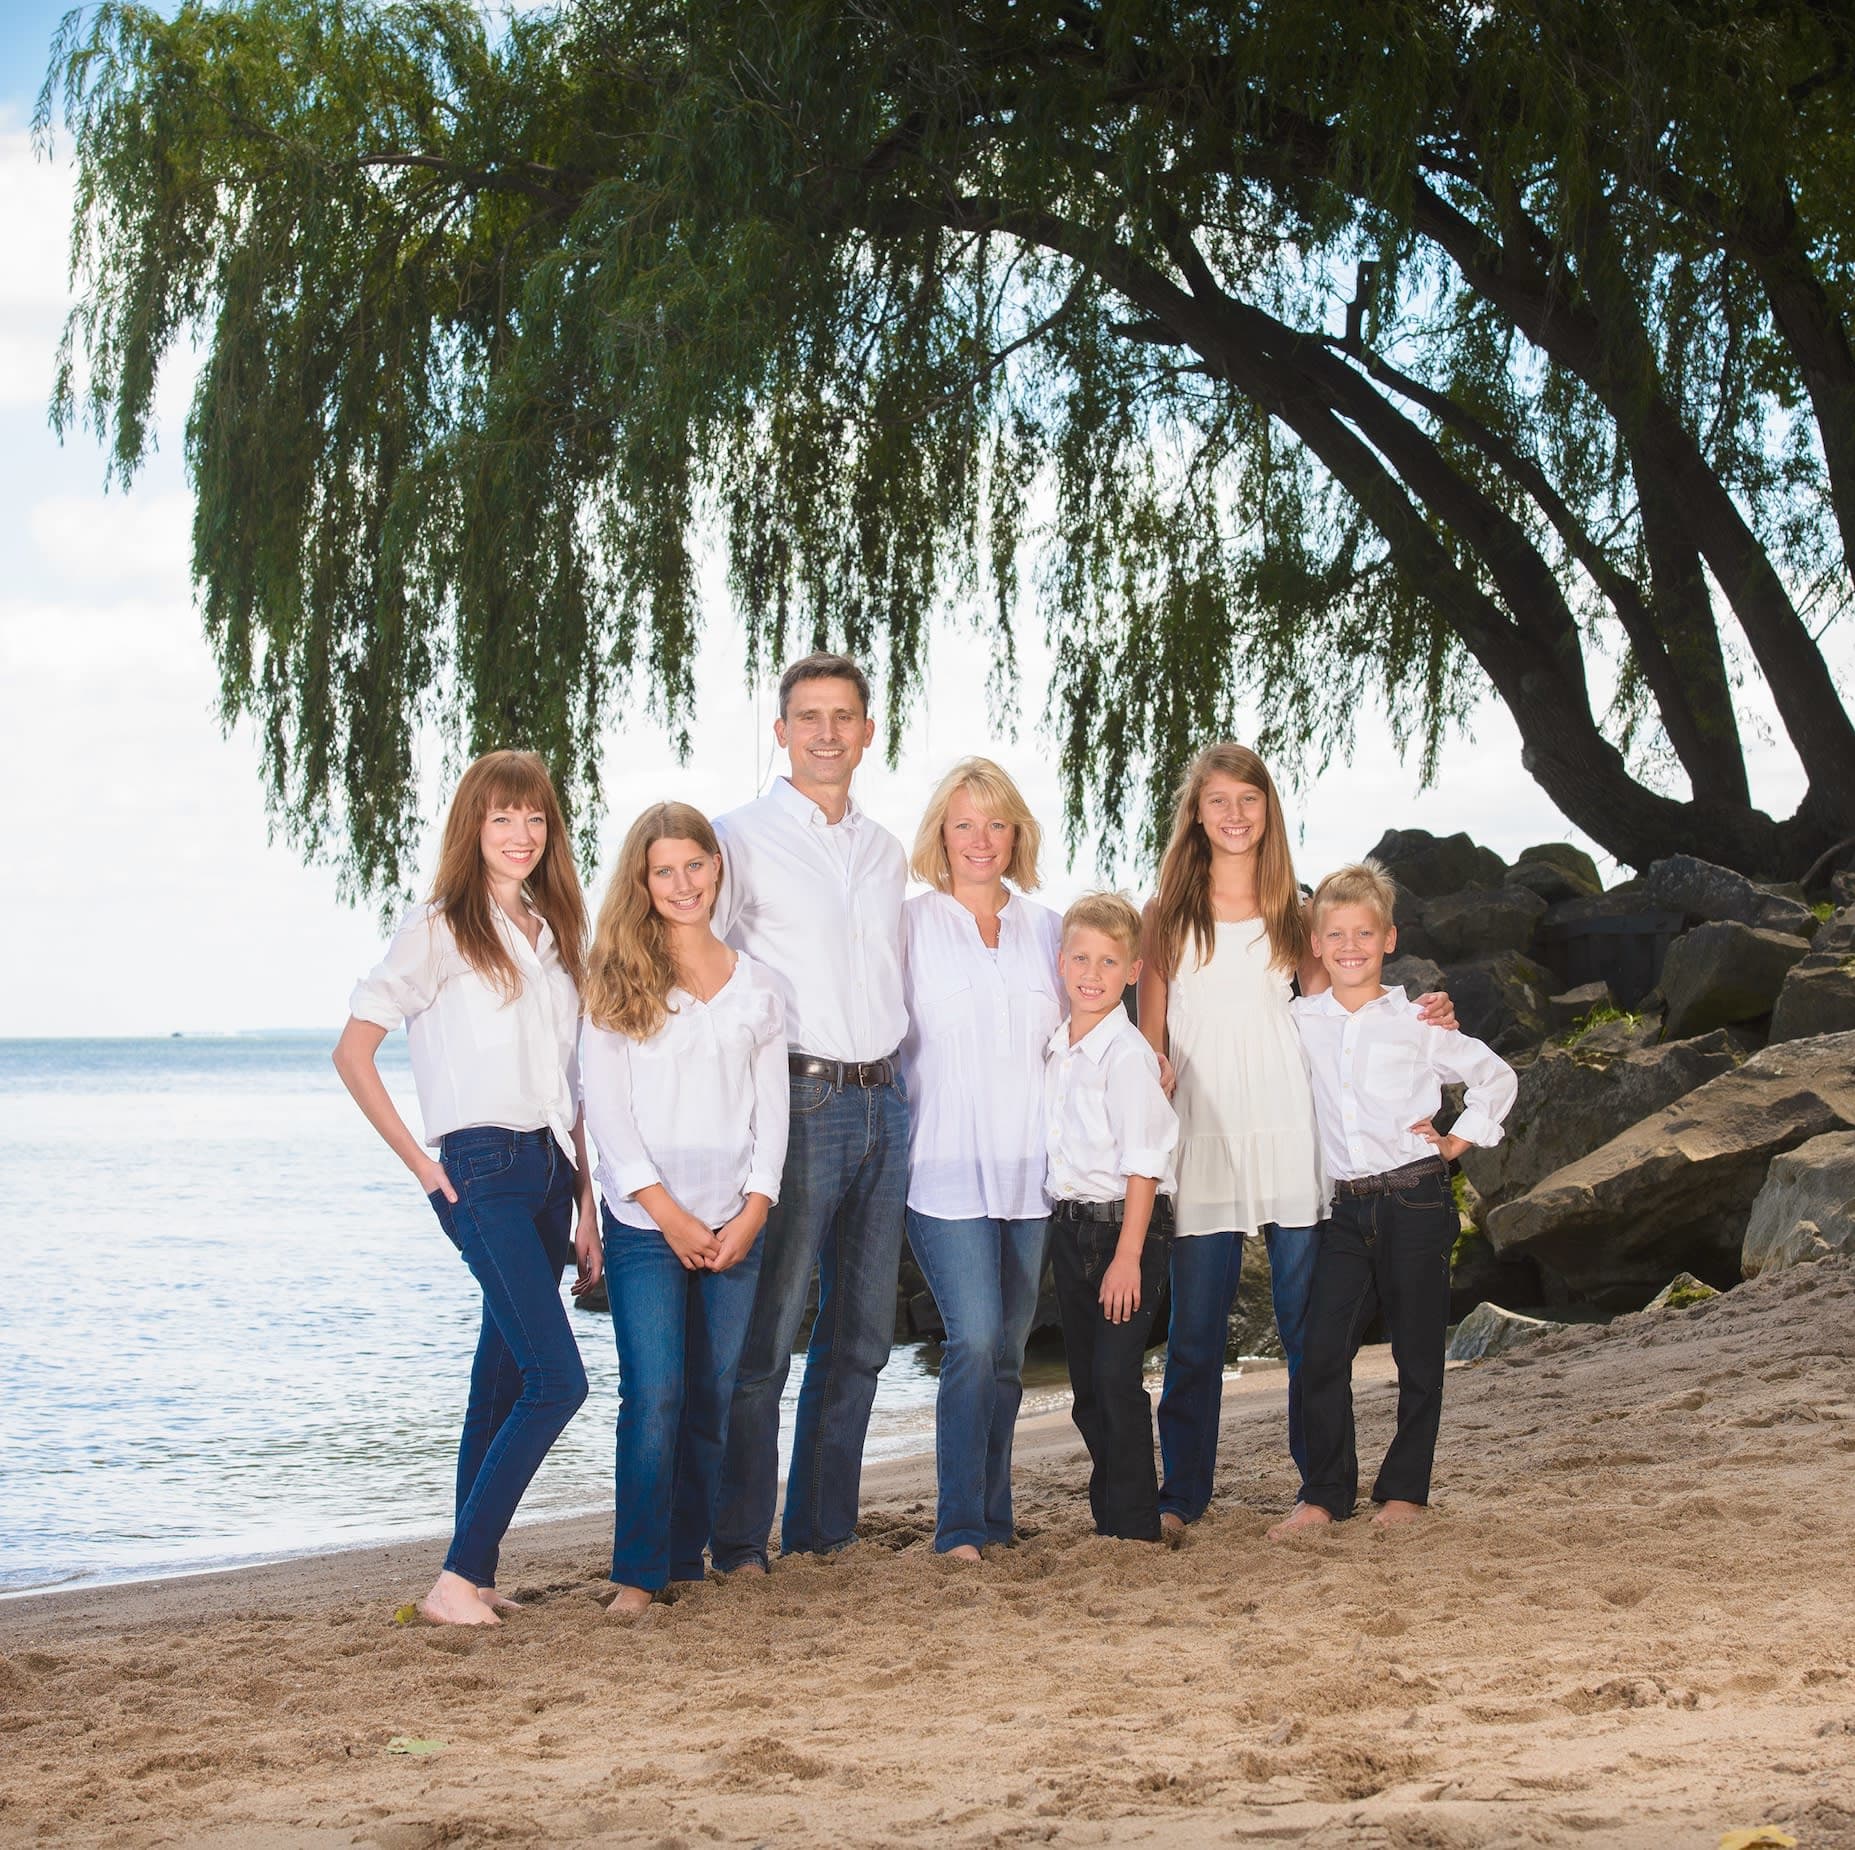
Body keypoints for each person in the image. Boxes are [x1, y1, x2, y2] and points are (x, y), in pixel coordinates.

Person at [1138, 743, 1455, 1530]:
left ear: (1267, 809)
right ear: (1196, 814)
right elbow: (1147, 1045)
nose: (1235, 815)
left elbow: (1346, 1004)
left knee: (1306, 1331)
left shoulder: (1296, 913)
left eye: (1249, 799)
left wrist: (1424, 1017)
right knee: (1194, 1335)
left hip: (1292, 1133)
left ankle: (1320, 1488)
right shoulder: (1164, 916)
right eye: (1218, 801)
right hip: (1201, 1138)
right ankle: (1181, 1496)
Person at [333, 750, 600, 1627]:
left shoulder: (557, 928)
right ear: (472, 828)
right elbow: (353, 1050)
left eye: (534, 819)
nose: (521, 835)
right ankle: (456, 1579)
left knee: (499, 1380)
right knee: (557, 1380)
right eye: (501, 818)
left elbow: (576, 1077)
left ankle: (472, 1577)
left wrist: (589, 1203)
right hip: (478, 1165)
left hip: (552, 1169)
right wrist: (421, 1161)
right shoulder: (442, 924)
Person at [708, 654, 910, 1571]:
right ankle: (741, 1539)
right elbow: (696, 973)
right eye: (807, 717)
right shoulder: (736, 838)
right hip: (796, 1096)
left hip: (884, 1097)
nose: (826, 732)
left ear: (869, 733)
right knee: (770, 1335)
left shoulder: (885, 849)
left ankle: (824, 1533)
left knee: (861, 1334)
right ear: (780, 731)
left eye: (843, 717)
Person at [580, 803, 789, 1613]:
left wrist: (753, 1209)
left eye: (693, 866)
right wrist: (666, 1214)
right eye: (663, 871)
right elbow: (608, 1115)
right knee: (656, 1392)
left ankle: (682, 1561)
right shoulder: (616, 980)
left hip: (735, 1220)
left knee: (713, 1394)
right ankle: (636, 1574)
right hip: (645, 1228)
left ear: (716, 868)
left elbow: (769, 1112)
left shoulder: (759, 987)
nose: (681, 884)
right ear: (643, 879)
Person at [1269, 861, 1516, 1537]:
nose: (1349, 945)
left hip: (1414, 1200)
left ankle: (1404, 1490)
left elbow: (1493, 1078)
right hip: (1342, 1212)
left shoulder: (1415, 1021)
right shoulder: (1296, 1022)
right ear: (1314, 945)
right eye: (1334, 934)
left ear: (1387, 939)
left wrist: (1454, 1143)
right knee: (1320, 1351)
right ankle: (1323, 1492)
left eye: (1363, 932)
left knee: (1416, 1353)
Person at [899, 757, 1063, 1559]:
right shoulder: (908, 925)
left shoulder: (1048, 927)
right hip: (942, 1167)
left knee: (1006, 1350)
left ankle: (994, 1516)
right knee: (971, 1338)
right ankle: (957, 1523)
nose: (980, 839)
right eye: (963, 823)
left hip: (1031, 1174)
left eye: (995, 823)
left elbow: (1084, 1035)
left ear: (1016, 834)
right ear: (940, 833)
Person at [1044, 892, 1181, 1543]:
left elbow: (1144, 1163)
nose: (1090, 973)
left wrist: (1127, 1255)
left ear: (1133, 970)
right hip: (1069, 1231)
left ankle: (1133, 1527)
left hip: (1124, 1233)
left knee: (1114, 1380)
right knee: (1086, 1389)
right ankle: (1113, 1514)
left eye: (1108, 961)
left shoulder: (1127, 1057)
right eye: (1079, 958)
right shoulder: (1058, 1048)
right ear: (1060, 960)